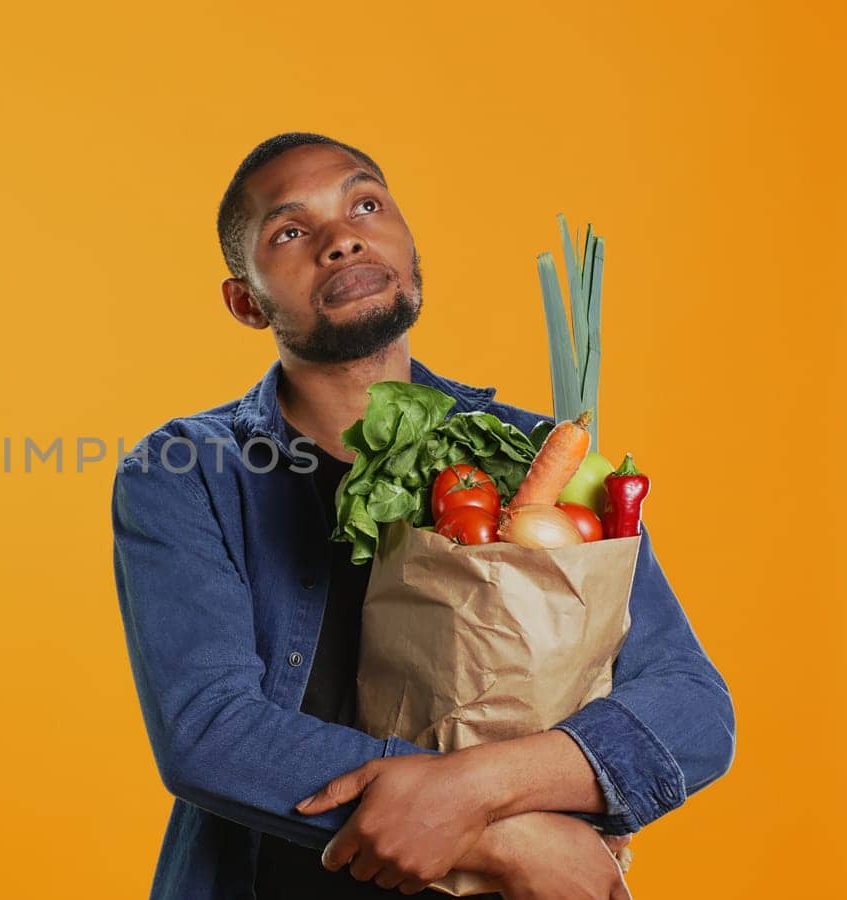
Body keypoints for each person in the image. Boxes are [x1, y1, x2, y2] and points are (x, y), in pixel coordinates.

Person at [109, 132, 735, 899]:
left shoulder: (539, 456)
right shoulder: (188, 471)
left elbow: (693, 709)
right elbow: (210, 732)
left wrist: (473, 797)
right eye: (291, 232)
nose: (342, 239)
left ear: (408, 246)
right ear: (246, 301)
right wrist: (510, 841)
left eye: (365, 204)